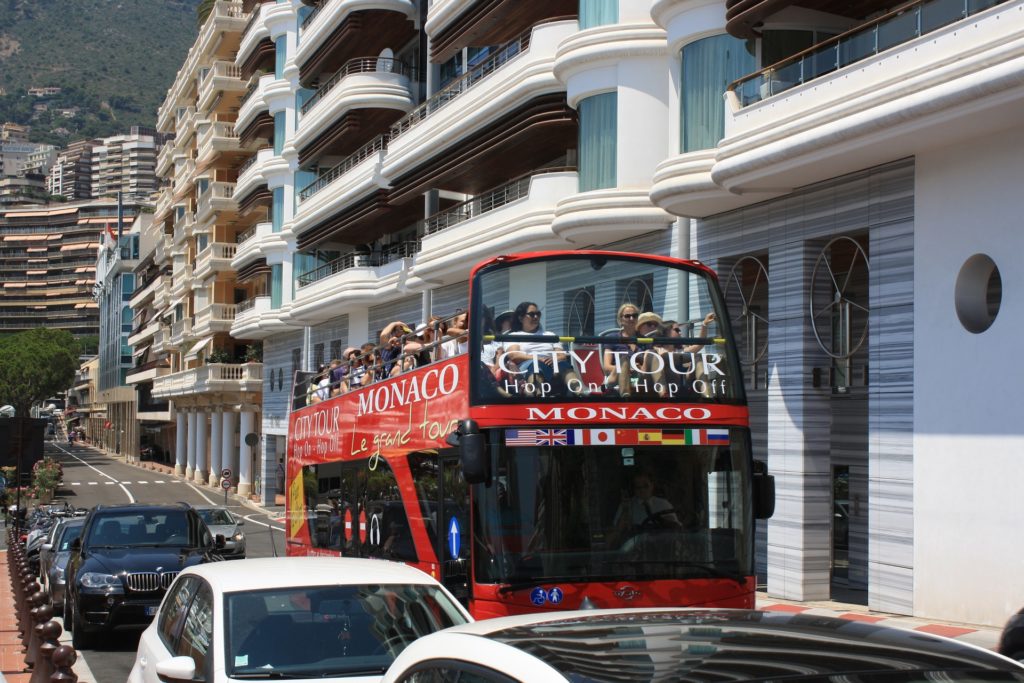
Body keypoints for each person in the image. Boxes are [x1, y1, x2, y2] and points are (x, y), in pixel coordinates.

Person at [504, 301, 582, 395]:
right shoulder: (514, 336)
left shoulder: (550, 335)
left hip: (552, 364)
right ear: (521, 318)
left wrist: (554, 359)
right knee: (536, 366)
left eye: (538, 314)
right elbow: (514, 355)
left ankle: (579, 392)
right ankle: (537, 395)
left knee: (564, 365)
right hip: (529, 365)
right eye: (532, 314)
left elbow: (562, 355)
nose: (536, 317)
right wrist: (538, 358)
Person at [609, 472, 681, 547]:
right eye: (638, 487)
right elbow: (615, 532)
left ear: (652, 486)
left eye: (645, 486)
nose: (642, 490)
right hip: (636, 551)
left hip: (661, 550)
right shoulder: (626, 506)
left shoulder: (664, 504)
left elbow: (676, 531)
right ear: (633, 489)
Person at [602, 303, 640, 395]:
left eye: (634, 316)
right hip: (615, 376)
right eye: (627, 316)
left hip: (640, 377)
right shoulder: (612, 338)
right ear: (620, 320)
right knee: (624, 359)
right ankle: (625, 396)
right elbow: (607, 367)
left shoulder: (644, 340)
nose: (632, 319)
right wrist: (626, 368)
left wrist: (638, 368)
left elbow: (647, 364)